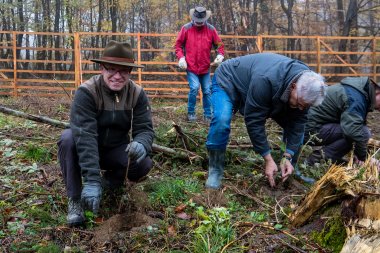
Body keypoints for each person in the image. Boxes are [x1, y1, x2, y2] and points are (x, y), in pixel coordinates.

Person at [57, 40, 154, 226]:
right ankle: (75, 200)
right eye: (111, 70)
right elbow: (85, 137)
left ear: (130, 72)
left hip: (114, 149)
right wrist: (91, 180)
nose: (117, 76)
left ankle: (109, 183)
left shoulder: (137, 94)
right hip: (86, 148)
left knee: (143, 163)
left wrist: (142, 143)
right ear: (102, 68)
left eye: (123, 71)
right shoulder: (87, 92)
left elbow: (145, 129)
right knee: (68, 139)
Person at [205, 53, 327, 189]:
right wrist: (267, 158)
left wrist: (288, 155)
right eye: (299, 103)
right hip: (229, 79)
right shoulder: (265, 80)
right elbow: (254, 121)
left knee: (295, 128)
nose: (301, 108)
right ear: (293, 86)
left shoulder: (305, 84)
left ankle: (289, 167)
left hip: (268, 92)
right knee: (222, 120)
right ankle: (215, 169)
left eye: (305, 106)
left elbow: (298, 125)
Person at [305, 76, 380, 168]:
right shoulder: (356, 98)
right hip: (309, 130)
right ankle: (319, 158)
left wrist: (360, 154)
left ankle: (330, 156)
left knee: (359, 132)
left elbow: (356, 124)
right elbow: (353, 131)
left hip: (311, 126)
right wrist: (364, 158)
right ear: (378, 93)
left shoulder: (359, 93)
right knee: (362, 133)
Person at [175, 6, 225, 122]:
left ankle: (208, 114)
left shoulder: (211, 29)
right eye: (197, 21)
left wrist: (220, 55)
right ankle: (191, 113)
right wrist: (181, 58)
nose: (199, 23)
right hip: (191, 66)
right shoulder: (186, 29)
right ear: (193, 18)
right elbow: (178, 45)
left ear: (205, 19)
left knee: (207, 90)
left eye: (201, 22)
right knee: (194, 88)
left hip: (205, 67)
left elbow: (219, 45)